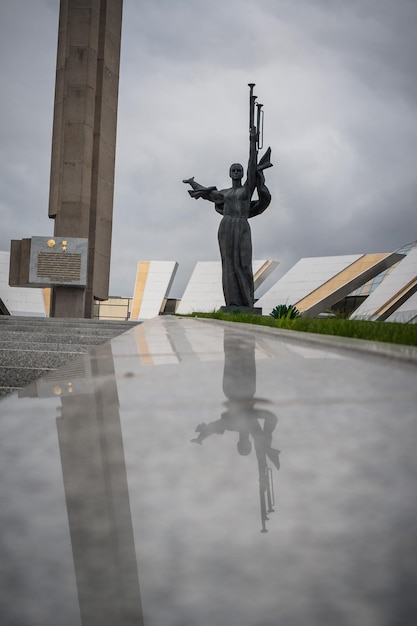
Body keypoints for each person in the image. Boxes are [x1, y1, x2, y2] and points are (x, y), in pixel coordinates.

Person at [183, 127, 272, 308]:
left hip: (241, 225)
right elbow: (208, 194)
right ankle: (232, 302)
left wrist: (253, 141)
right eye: (234, 170)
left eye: (240, 170)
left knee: (244, 264)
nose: (237, 172)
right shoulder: (224, 193)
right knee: (229, 265)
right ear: (230, 173)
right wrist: (192, 182)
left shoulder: (247, 190)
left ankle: (247, 303)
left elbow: (252, 167)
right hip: (226, 227)